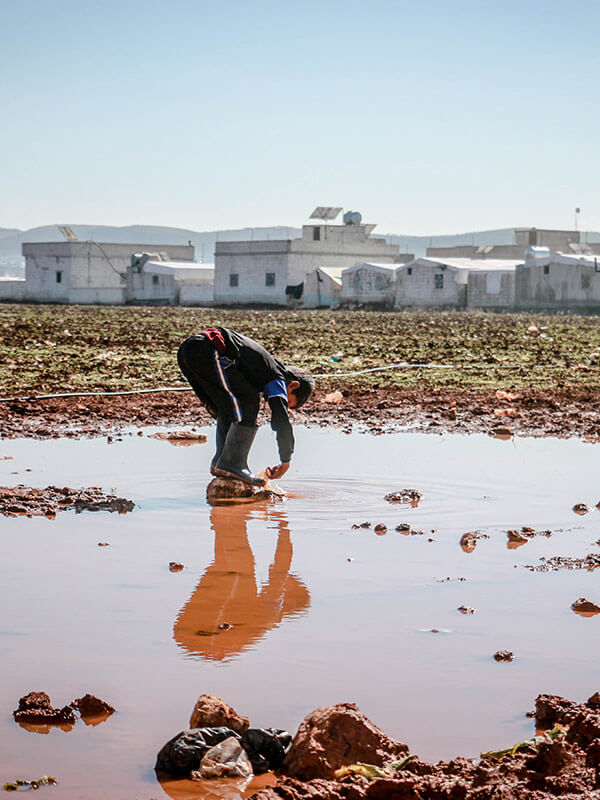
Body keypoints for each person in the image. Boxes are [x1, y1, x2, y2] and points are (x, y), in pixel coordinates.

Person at [177, 327, 314, 486]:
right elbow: (281, 420)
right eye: (288, 401)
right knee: (248, 403)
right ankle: (232, 463)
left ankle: (221, 462)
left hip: (188, 350)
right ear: (293, 386)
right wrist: (285, 461)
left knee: (228, 408)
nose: (283, 403)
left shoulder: (260, 372)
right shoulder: (277, 378)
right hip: (208, 349)